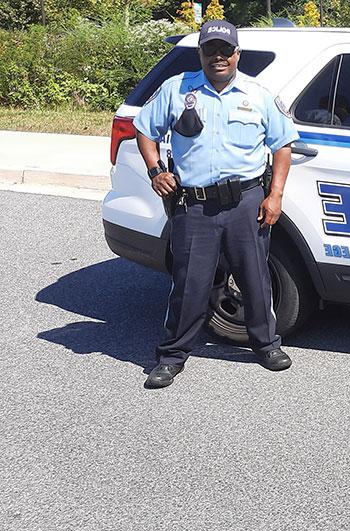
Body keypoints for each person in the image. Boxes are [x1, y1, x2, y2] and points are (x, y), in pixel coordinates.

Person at [135, 20, 299, 389]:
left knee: (255, 278)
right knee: (189, 283)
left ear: (237, 54)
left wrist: (275, 195)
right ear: (201, 54)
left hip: (246, 202)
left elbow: (282, 144)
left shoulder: (258, 94)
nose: (219, 57)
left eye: (226, 50)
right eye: (211, 50)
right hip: (194, 206)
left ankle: (266, 345)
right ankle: (173, 355)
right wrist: (155, 170)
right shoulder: (176, 90)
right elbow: (144, 129)